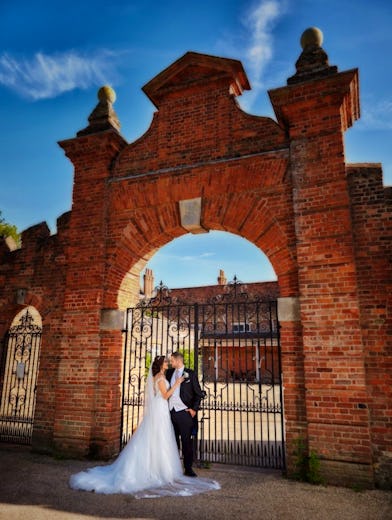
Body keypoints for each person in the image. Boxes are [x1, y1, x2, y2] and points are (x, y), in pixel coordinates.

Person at [69, 356, 219, 499]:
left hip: (163, 411)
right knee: (159, 438)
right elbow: (166, 395)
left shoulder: (162, 376)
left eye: (169, 362)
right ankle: (157, 469)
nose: (168, 364)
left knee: (161, 439)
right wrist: (177, 383)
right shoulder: (160, 378)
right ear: (161, 365)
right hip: (160, 410)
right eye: (166, 363)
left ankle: (165, 467)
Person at [166, 351, 204, 477]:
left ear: (178, 360)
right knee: (173, 441)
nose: (170, 363)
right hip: (171, 412)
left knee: (186, 442)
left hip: (184, 413)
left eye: (172, 361)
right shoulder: (169, 373)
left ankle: (188, 468)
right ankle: (173, 467)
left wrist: (194, 409)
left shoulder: (190, 374)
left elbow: (199, 394)